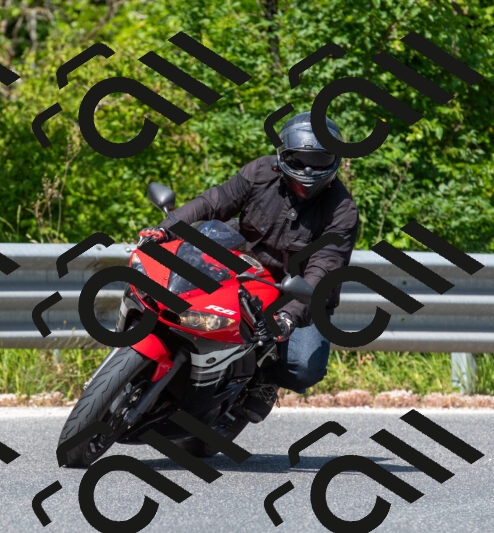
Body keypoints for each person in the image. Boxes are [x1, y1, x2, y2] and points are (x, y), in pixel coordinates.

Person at [139, 111, 359, 422]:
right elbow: (213, 202)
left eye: (319, 161)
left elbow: (323, 269)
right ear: (284, 154)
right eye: (299, 160)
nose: (308, 169)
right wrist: (165, 230)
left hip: (298, 291)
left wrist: (288, 317)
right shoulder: (260, 172)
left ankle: (265, 379)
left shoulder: (342, 211)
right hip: (243, 267)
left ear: (334, 161)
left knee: (303, 366)